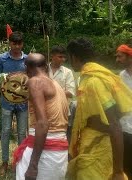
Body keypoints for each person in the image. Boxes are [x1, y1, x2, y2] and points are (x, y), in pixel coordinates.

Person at [66, 38, 132, 179]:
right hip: (91, 145)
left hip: (98, 150)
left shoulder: (93, 82)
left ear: (74, 57)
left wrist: (119, 171)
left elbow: (114, 124)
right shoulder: (90, 77)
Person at [13, 53, 69, 180]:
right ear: (45, 66)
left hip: (45, 151)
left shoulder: (35, 82)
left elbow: (43, 123)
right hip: (59, 152)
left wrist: (33, 165)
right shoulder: (55, 83)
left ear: (27, 68)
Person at [0, 31, 28, 175]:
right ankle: (4, 162)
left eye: (19, 44)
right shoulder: (2, 58)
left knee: (22, 133)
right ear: (10, 43)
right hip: (6, 101)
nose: (16, 46)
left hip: (23, 102)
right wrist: (1, 77)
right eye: (14, 43)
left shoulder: (27, 59)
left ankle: (20, 162)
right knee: (6, 131)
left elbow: (31, 78)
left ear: (22, 44)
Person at [48, 45, 76, 142]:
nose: (63, 59)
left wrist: (51, 93)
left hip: (62, 109)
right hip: (45, 109)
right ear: (52, 56)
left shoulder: (67, 72)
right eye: (60, 57)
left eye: (64, 57)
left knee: (61, 136)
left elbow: (71, 92)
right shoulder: (43, 70)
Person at [116, 44, 132, 179]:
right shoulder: (121, 76)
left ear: (129, 57)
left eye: (120, 56)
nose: (117, 59)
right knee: (126, 165)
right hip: (125, 128)